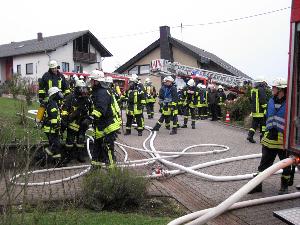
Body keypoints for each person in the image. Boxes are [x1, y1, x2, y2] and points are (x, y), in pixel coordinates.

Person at [249, 78, 291, 195]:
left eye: (274, 87)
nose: (272, 89)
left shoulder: (290, 103)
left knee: (286, 165)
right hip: (269, 139)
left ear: (281, 89)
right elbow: (267, 117)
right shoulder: (271, 101)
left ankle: (284, 186)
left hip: (284, 140)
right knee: (263, 165)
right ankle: (257, 185)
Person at [89, 70, 121, 169]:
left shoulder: (102, 92)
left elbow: (100, 109)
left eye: (92, 80)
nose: (90, 82)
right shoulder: (99, 91)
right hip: (101, 125)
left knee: (107, 149)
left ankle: (113, 173)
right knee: (97, 148)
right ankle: (95, 169)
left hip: (108, 126)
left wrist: (89, 118)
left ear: (96, 81)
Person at [61, 79, 92, 163]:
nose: (84, 91)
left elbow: (91, 111)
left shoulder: (87, 99)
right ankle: (68, 156)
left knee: (81, 140)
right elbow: (64, 110)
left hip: (83, 124)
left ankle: (80, 155)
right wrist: (65, 119)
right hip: (72, 124)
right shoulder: (70, 97)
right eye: (82, 89)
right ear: (77, 89)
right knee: (69, 141)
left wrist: (88, 120)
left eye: (85, 89)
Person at [42, 87, 64, 165]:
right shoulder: (52, 104)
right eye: (58, 93)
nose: (60, 95)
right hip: (51, 129)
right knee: (55, 145)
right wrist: (56, 127)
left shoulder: (53, 102)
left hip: (51, 129)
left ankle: (57, 162)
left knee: (56, 145)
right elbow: (53, 117)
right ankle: (42, 159)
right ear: (54, 94)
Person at [247, 78, 267, 143]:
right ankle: (262, 139)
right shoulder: (261, 89)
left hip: (255, 111)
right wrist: (265, 108)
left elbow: (251, 100)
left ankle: (250, 135)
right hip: (261, 111)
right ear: (261, 82)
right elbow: (262, 100)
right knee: (263, 125)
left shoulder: (253, 90)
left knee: (254, 124)